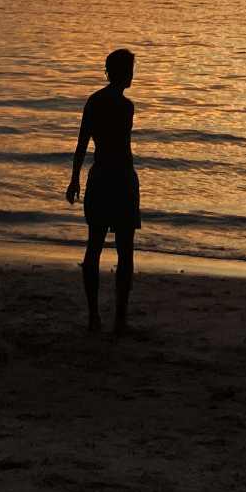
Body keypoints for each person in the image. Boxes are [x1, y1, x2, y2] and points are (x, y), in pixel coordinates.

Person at [66, 47, 141, 335]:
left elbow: (82, 144)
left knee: (94, 246)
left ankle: (94, 317)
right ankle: (119, 319)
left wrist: (75, 179)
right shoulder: (125, 107)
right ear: (121, 73)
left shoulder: (94, 101)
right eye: (130, 70)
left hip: (100, 178)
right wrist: (75, 179)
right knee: (124, 251)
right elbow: (119, 147)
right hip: (121, 179)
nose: (132, 75)